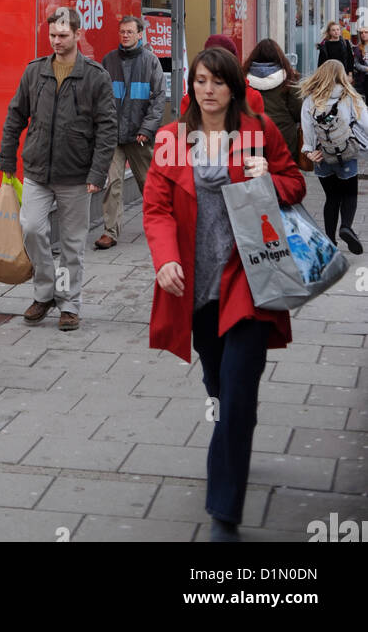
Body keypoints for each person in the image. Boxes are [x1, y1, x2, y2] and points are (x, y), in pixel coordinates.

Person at [143, 47, 305, 542]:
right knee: (219, 383)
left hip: (250, 279)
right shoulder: (172, 139)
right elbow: (156, 208)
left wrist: (271, 180)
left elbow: (296, 181)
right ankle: (233, 428)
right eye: (199, 80)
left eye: (217, 81)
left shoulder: (259, 132)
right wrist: (166, 257)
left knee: (236, 398)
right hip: (197, 287)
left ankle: (223, 516)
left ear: (235, 87)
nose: (207, 89)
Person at [0, 6, 117, 330]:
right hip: (37, 170)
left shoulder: (95, 76)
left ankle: (68, 303)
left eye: (63, 35)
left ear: (78, 35)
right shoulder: (34, 72)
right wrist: (7, 159)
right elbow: (15, 116)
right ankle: (45, 292)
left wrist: (97, 172)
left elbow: (107, 128)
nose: (56, 41)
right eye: (52, 35)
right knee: (33, 229)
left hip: (76, 176)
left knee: (72, 244)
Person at [95, 15, 167, 249]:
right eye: (122, 32)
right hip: (114, 135)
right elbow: (100, 99)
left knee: (148, 183)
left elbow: (158, 100)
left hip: (139, 136)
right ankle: (110, 232)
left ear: (139, 34)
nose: (125, 35)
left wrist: (146, 128)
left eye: (129, 32)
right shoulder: (109, 61)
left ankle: (160, 225)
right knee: (113, 183)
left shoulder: (151, 62)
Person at [299, 60, 366, 254]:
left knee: (332, 198)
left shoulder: (311, 99)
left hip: (322, 156)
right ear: (341, 75)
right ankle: (346, 226)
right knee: (350, 194)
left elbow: (307, 128)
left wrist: (309, 150)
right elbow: (366, 123)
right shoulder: (350, 96)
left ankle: (330, 242)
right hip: (346, 154)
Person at [241, 38, 301, 161]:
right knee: (283, 176)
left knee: (253, 176)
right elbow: (298, 111)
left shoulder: (242, 79)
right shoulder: (288, 78)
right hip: (283, 137)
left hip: (251, 137)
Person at [179, 33, 264, 116]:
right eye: (201, 81)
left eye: (218, 82)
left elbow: (258, 129)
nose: (209, 90)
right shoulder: (189, 101)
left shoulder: (253, 98)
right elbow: (181, 128)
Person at [350, 26, 368, 99]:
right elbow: (356, 64)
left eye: (366, 32)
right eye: (361, 33)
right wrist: (366, 69)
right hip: (365, 78)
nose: (363, 34)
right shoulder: (357, 48)